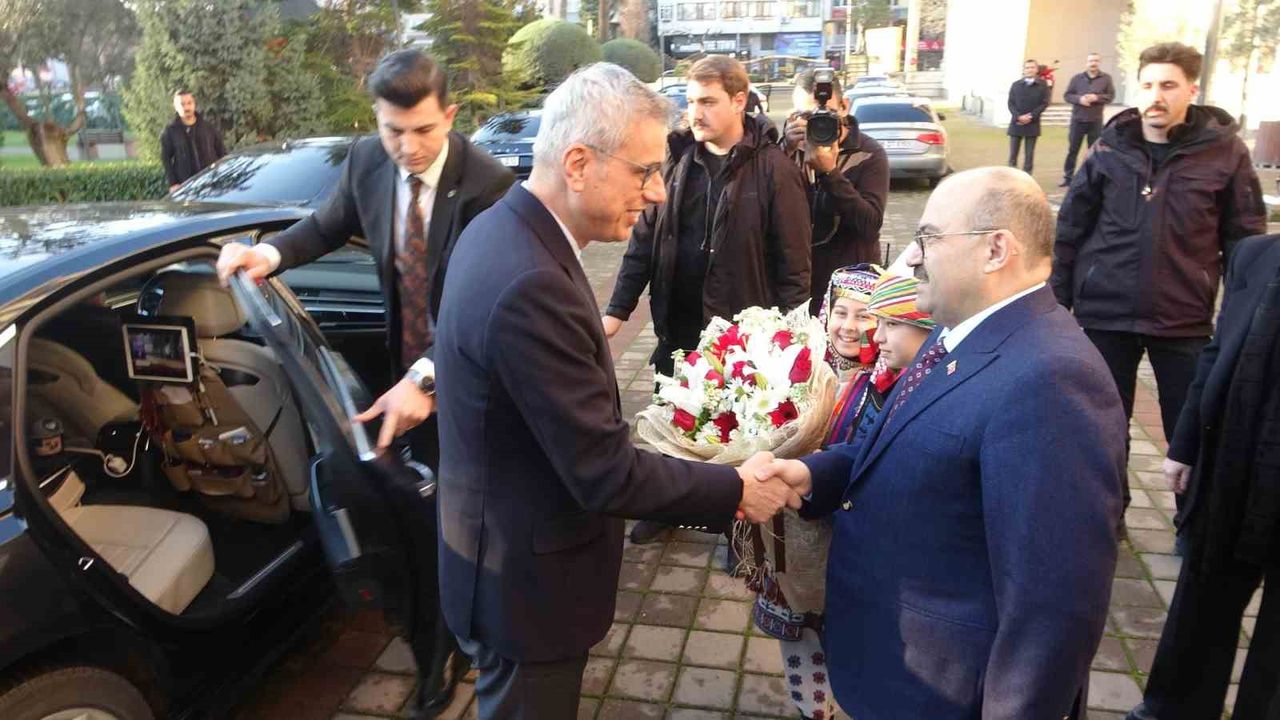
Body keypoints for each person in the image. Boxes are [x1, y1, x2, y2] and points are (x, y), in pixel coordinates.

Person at [432, 63, 800, 719]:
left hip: (505, 559)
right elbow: (604, 472)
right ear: (578, 164)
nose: (657, 192)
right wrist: (737, 488)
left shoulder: (503, 229)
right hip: (526, 591)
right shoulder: (531, 282)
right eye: (643, 172)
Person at [754, 167, 1127, 718]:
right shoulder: (959, 332)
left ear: (995, 250)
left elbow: (1052, 609)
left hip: (946, 692)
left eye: (928, 238)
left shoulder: (1051, 378)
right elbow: (908, 446)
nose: (912, 257)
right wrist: (814, 474)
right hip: (893, 666)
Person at [214, 49, 514, 718]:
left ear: (451, 116)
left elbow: (482, 308)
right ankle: (439, 647)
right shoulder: (368, 162)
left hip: (473, 385)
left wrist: (427, 381)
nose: (407, 147)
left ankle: (478, 631)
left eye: (423, 130)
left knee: (470, 522)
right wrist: (267, 253)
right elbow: (325, 225)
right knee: (426, 524)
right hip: (400, 380)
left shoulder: (489, 187)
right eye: (392, 130)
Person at [602, 54, 812, 546]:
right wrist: (616, 311)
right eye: (690, 101)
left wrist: (791, 342)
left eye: (708, 101)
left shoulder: (774, 169)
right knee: (673, 420)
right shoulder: (675, 161)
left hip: (740, 338)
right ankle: (672, 507)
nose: (694, 112)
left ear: (739, 101)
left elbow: (794, 264)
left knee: (734, 429)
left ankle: (738, 523)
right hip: (676, 327)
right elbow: (643, 243)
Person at [1052, 42, 1267, 518]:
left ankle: (1194, 523)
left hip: (1183, 318)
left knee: (1195, 428)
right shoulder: (1110, 146)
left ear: (1192, 89)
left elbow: (1245, 241)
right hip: (1105, 313)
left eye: (1168, 85)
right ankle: (1107, 518)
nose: (1156, 96)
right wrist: (1055, 303)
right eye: (1148, 85)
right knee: (1103, 427)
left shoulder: (1225, 153)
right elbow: (1071, 227)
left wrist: (1244, 318)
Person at [755, 267, 934, 720]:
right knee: (801, 639)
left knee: (849, 642)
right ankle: (813, 709)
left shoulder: (894, 380)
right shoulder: (801, 366)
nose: (850, 327)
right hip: (799, 539)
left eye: (867, 316)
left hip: (855, 544)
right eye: (841, 312)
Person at [1124, 234, 1280, 720]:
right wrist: (1185, 445)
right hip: (1232, 462)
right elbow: (1215, 354)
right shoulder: (1256, 255)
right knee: (1203, 599)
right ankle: (1173, 709)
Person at [782, 70, 890, 315]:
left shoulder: (869, 154)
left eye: (827, 113)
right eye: (806, 116)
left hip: (849, 289)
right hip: (797, 284)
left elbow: (869, 224)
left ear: (844, 106)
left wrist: (830, 173)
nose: (817, 123)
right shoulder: (788, 152)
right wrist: (784, 152)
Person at [1060, 52, 1115, 187]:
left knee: (1094, 151)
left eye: (1096, 61)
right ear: (1086, 63)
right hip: (1077, 120)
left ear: (1099, 62)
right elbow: (1067, 95)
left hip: (1095, 120)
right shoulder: (1077, 78)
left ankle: (1091, 178)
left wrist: (1097, 98)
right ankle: (1068, 177)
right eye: (1091, 61)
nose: (1093, 63)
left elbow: (1110, 96)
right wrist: (1079, 99)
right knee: (1073, 150)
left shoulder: (1106, 79)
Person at [160, 90, 227, 191]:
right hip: (186, 186)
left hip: (212, 183)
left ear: (194, 104)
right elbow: (166, 159)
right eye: (182, 104)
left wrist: (224, 175)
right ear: (175, 107)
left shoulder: (208, 127)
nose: (186, 107)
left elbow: (222, 152)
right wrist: (173, 183)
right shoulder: (171, 132)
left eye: (189, 103)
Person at [1006, 59, 1050, 173]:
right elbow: (1011, 103)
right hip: (1017, 123)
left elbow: (1044, 103)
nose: (1030, 70)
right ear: (1024, 70)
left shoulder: (1043, 85)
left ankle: (1027, 176)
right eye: (1027, 68)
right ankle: (1011, 176)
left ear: (1036, 69)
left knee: (1029, 155)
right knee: (1013, 155)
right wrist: (1018, 116)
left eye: (1032, 67)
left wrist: (1031, 116)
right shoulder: (1015, 85)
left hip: (1032, 123)